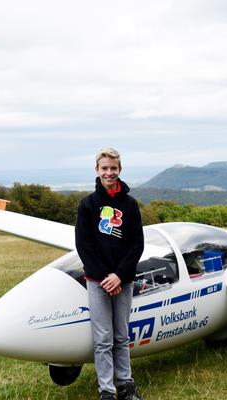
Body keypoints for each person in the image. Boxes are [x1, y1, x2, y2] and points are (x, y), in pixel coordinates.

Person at [75, 148, 145, 400]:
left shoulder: (129, 204)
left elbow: (136, 244)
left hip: (123, 281)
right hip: (97, 282)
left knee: (121, 336)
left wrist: (119, 275)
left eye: (113, 168)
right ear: (97, 170)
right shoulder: (87, 205)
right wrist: (106, 277)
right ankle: (107, 389)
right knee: (103, 338)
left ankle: (126, 385)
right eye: (104, 168)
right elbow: (84, 246)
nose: (109, 172)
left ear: (120, 170)